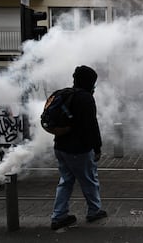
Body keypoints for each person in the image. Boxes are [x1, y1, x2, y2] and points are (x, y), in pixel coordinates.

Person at [50, 65, 107, 230]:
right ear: (89, 81)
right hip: (78, 149)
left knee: (65, 181)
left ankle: (59, 216)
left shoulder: (63, 94)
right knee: (89, 180)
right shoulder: (85, 98)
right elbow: (91, 126)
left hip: (60, 146)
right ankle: (94, 211)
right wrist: (97, 147)